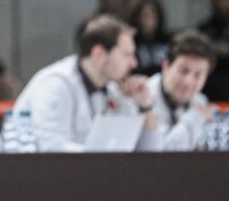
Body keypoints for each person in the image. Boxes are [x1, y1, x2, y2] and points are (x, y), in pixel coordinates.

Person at [13, 14, 161, 152]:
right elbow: (51, 149)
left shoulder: (113, 89)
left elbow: (148, 152)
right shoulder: (55, 84)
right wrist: (105, 160)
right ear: (99, 54)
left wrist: (145, 106)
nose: (134, 63)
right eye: (126, 55)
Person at [149, 29, 217, 151]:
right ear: (166, 66)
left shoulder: (200, 101)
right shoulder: (144, 98)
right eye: (183, 71)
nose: (188, 82)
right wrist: (194, 117)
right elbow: (162, 153)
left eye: (198, 75)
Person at [198, 0, 229, 101]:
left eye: (223, 0)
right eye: (216, 0)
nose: (220, 4)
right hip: (211, 82)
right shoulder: (204, 27)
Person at [131, 0, 169, 77]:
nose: (149, 19)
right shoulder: (131, 42)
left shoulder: (168, 41)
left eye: (153, 14)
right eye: (145, 15)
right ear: (137, 17)